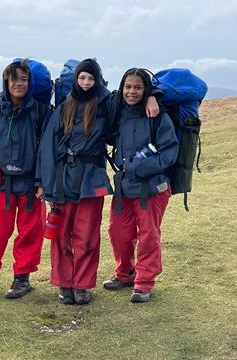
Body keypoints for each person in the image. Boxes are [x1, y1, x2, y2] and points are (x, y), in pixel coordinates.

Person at [37, 59, 160, 305]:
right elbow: (48, 148)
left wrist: (152, 95)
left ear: (98, 81)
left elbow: (129, 94)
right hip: (63, 179)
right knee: (62, 235)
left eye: (91, 79)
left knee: (87, 235)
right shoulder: (64, 108)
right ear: (75, 80)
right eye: (82, 78)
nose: (85, 83)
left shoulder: (105, 105)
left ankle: (81, 285)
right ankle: (64, 284)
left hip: (91, 178)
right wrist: (44, 182)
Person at [0, 59, 49, 300]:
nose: (19, 84)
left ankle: (22, 278)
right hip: (2, 183)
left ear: (30, 82)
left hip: (31, 184)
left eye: (24, 79)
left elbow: (48, 150)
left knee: (30, 233)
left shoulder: (41, 113)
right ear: (6, 81)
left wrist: (43, 180)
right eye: (14, 79)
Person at [102, 68, 179, 303]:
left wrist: (139, 167)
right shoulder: (119, 113)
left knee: (148, 235)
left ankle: (144, 283)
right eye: (128, 87)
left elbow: (170, 152)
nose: (131, 92)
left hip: (152, 187)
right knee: (118, 232)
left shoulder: (158, 116)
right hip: (125, 186)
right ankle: (125, 273)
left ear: (145, 89)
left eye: (137, 87)